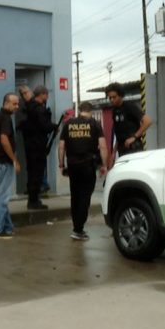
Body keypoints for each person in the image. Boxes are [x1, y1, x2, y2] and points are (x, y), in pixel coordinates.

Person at [58, 102, 108, 241]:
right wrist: (104, 165)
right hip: (88, 165)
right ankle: (78, 229)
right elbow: (103, 146)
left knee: (75, 196)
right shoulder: (95, 124)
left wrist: (61, 164)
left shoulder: (68, 124)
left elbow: (61, 146)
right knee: (85, 197)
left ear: (79, 110)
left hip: (72, 166)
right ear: (90, 111)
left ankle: (76, 226)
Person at [0, 92, 22, 239]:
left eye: (18, 103)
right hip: (4, 162)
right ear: (6, 103)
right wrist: (14, 160)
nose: (17, 106)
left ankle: (7, 228)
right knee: (2, 198)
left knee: (2, 196)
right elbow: (4, 140)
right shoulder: (6, 119)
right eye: (14, 104)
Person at [22, 85, 57, 210]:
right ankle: (34, 201)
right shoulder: (39, 109)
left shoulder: (29, 106)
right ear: (42, 94)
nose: (47, 97)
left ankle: (33, 199)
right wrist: (54, 126)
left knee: (32, 172)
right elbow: (44, 126)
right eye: (46, 94)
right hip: (37, 146)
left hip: (30, 145)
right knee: (37, 173)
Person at [105, 82, 152, 159]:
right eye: (110, 98)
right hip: (122, 149)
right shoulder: (114, 111)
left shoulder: (129, 107)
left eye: (114, 97)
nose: (112, 100)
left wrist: (134, 137)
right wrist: (114, 152)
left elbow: (148, 121)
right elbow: (118, 133)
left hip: (134, 148)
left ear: (120, 95)